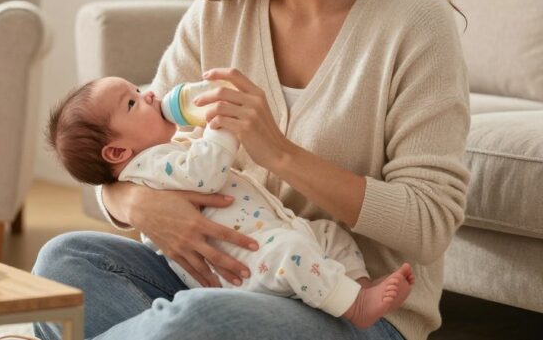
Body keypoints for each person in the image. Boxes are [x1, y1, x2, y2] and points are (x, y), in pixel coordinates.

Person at [32, 0, 470, 340]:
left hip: (353, 308)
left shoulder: (412, 21)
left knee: (194, 323)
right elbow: (130, 143)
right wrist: (134, 201)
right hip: (227, 284)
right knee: (66, 262)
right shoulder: (221, 14)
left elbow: (429, 226)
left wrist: (278, 152)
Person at [46, 75, 415, 329]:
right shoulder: (150, 163)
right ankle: (353, 301)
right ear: (117, 151)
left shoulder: (157, 152)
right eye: (132, 101)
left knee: (328, 235)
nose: (151, 95)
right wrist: (220, 124)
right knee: (63, 259)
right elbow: (206, 171)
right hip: (246, 268)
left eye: (138, 89)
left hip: (272, 243)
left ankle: (358, 294)